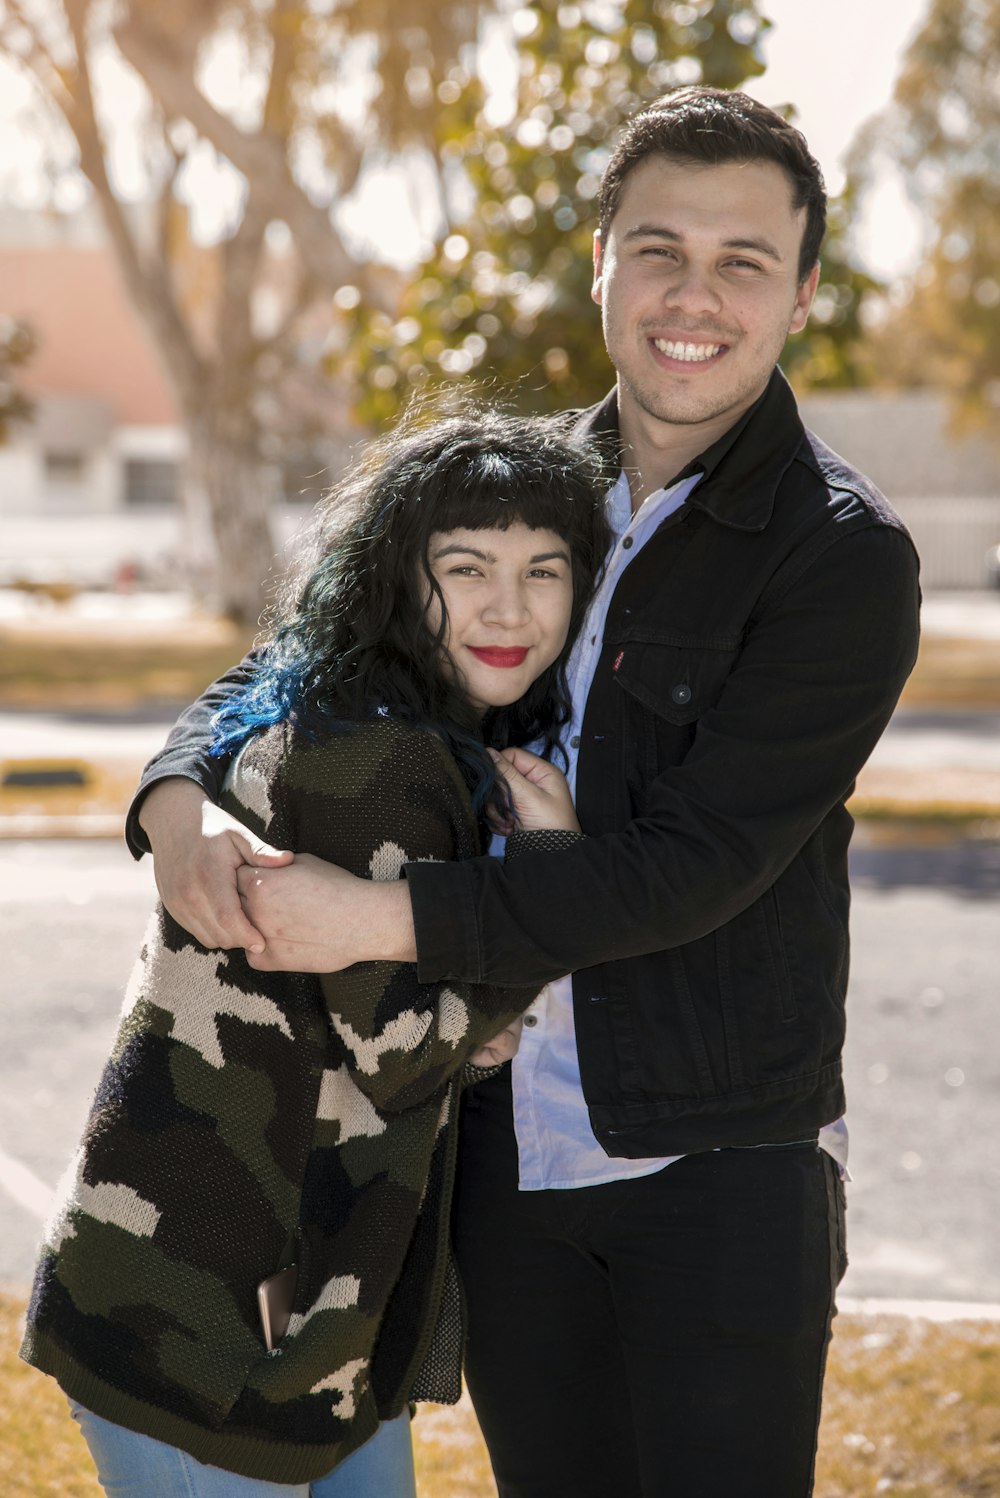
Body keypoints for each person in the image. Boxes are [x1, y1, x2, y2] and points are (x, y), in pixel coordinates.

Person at [111, 87, 921, 1498]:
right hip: (501, 1161)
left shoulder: (839, 554)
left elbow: (691, 867)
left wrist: (366, 919)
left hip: (720, 1166)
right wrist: (182, 797)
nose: (694, 296)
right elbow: (292, 666)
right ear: (600, 262)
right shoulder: (511, 488)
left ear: (802, 293)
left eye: (745, 262)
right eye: (658, 248)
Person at [20, 408, 610, 1496]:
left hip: (306, 1328)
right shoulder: (374, 757)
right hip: (189, 1323)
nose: (509, 607)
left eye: (545, 570)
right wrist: (548, 888)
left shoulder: (384, 717)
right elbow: (401, 1051)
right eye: (466, 567)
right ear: (399, 578)